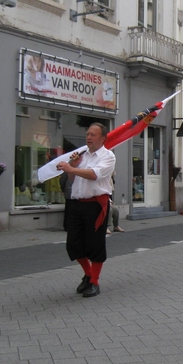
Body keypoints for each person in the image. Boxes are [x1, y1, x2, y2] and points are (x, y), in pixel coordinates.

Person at [56, 123, 115, 298]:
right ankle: (88, 273)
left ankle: (94, 282)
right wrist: (73, 166)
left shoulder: (108, 156)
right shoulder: (82, 155)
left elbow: (95, 174)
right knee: (73, 244)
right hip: (77, 203)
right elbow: (73, 178)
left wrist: (72, 168)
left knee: (95, 244)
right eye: (87, 134)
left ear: (102, 138)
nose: (88, 137)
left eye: (93, 135)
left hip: (95, 204)